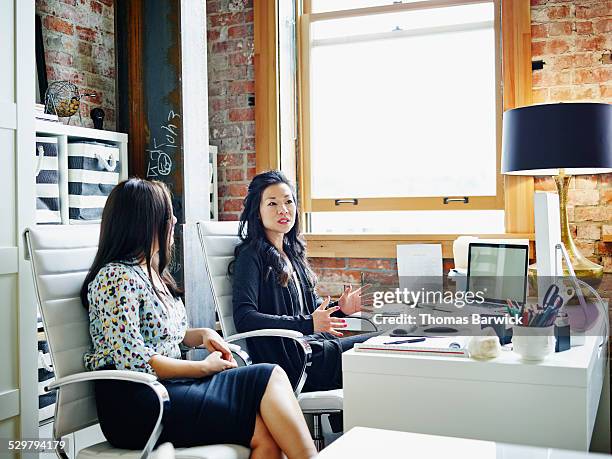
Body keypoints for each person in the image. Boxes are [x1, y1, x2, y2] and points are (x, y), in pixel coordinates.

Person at [81, 178, 316, 459]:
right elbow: (136, 359)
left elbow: (166, 334)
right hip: (138, 403)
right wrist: (203, 368)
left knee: (266, 432)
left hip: (168, 389)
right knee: (267, 377)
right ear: (144, 223)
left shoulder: (151, 273)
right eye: (168, 216)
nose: (174, 221)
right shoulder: (115, 278)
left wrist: (202, 334)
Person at [230, 170, 377, 392]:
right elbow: (245, 318)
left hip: (317, 349)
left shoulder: (292, 253)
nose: (283, 209)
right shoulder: (250, 256)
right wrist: (307, 324)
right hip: (295, 363)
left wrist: (341, 310)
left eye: (289, 201)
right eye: (272, 204)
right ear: (257, 212)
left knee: (388, 346)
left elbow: (313, 313)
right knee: (382, 347)